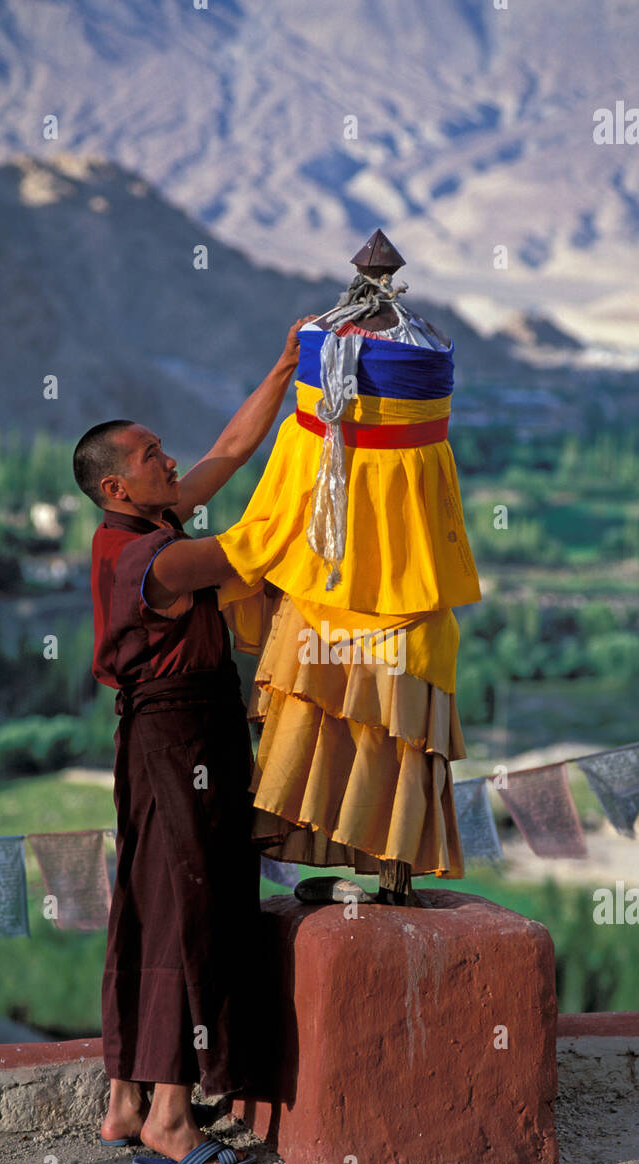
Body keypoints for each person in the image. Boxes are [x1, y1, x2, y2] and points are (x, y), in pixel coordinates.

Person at [72, 318, 312, 1164]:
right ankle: (172, 1119)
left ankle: (125, 1102)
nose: (169, 462)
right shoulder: (154, 562)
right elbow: (258, 548)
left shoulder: (147, 527)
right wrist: (323, 453)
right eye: (150, 458)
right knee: (187, 910)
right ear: (116, 490)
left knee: (146, 904)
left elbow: (231, 445)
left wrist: (288, 368)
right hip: (182, 747)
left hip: (160, 744)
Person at [214, 231, 481, 907]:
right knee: (395, 736)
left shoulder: (321, 428)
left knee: (328, 728)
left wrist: (256, 548)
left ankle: (373, 877)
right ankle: (386, 879)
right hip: (404, 596)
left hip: (319, 583)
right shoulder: (413, 364)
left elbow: (295, 474)